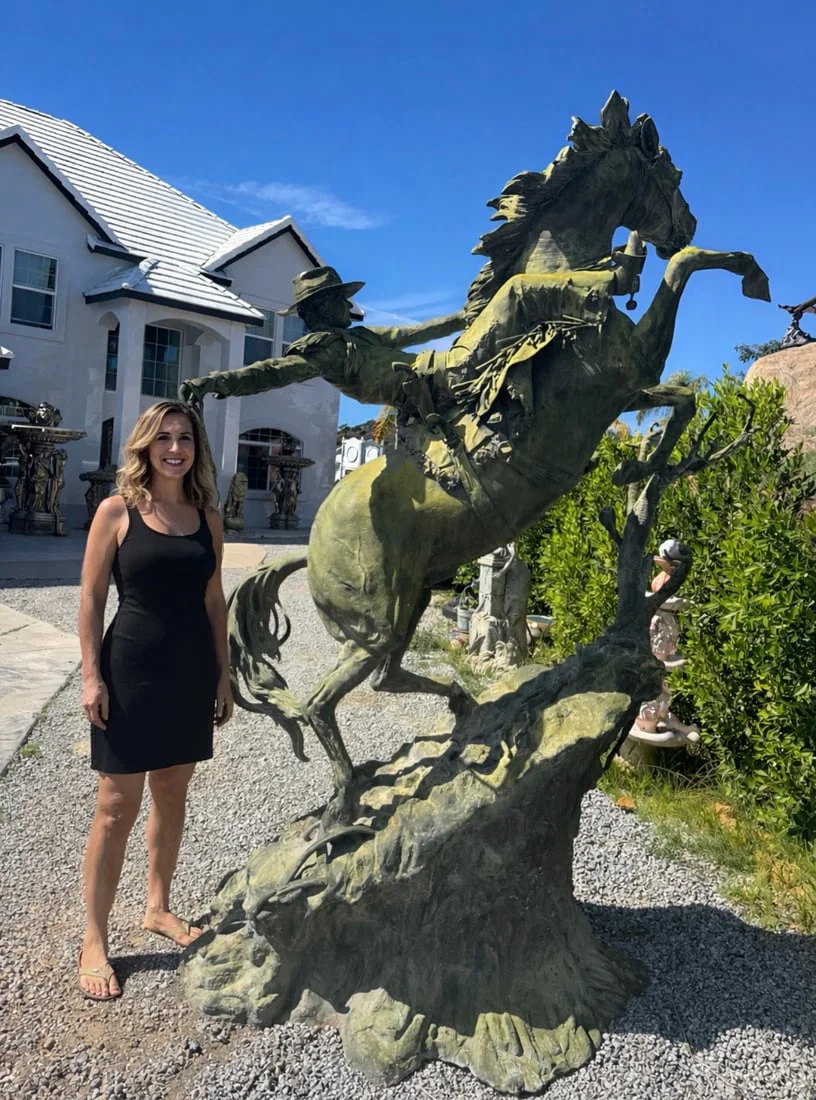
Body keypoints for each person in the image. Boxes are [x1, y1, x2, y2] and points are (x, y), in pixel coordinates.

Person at [77, 401, 232, 1001]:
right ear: (145, 445)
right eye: (163, 438)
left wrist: (223, 675)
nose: (175, 448)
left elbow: (215, 601)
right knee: (116, 806)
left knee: (173, 791)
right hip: (131, 671)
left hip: (190, 674)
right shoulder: (117, 512)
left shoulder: (207, 518)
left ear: (196, 448)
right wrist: (92, 677)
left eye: (185, 438)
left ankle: (157, 907)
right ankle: (94, 939)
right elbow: (90, 600)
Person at [179, 266, 466, 428]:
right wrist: (216, 382)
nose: (348, 305)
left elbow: (415, 332)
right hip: (426, 383)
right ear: (324, 307)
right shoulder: (326, 351)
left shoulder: (363, 335)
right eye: (342, 299)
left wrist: (462, 317)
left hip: (431, 369)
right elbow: (271, 372)